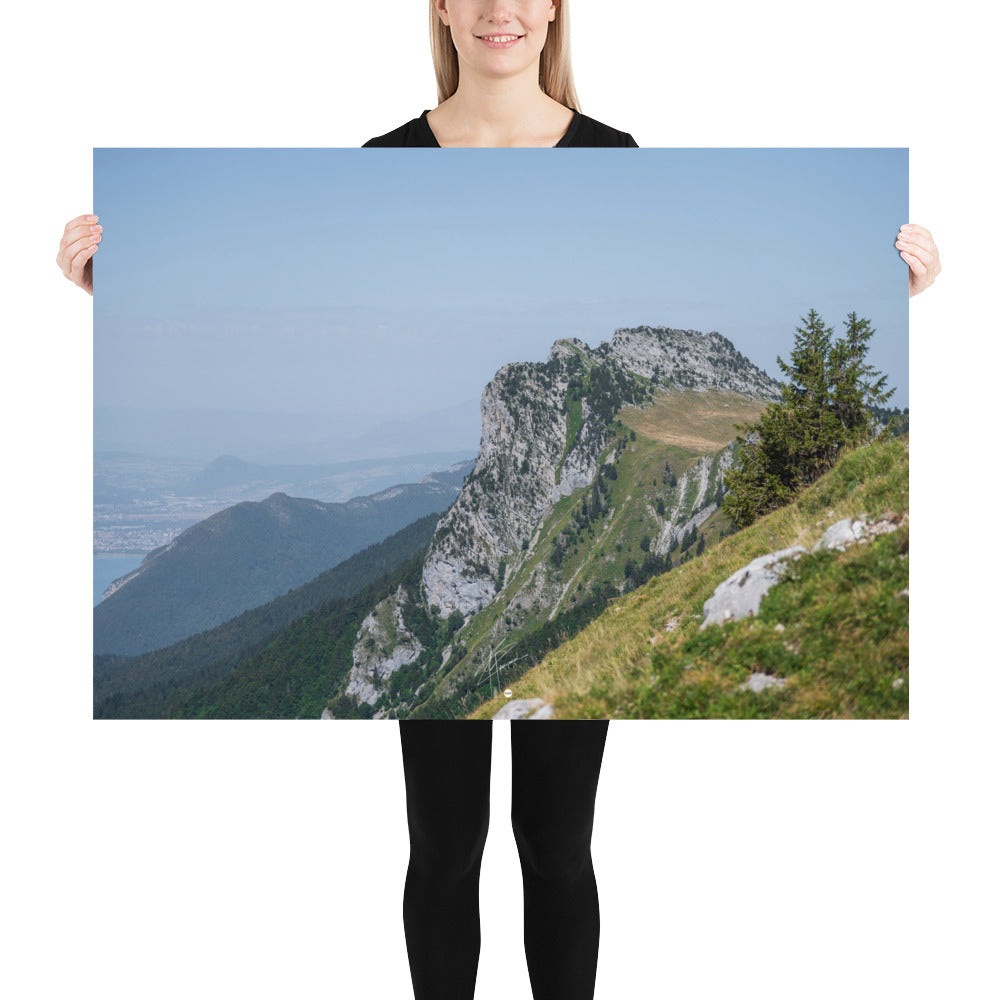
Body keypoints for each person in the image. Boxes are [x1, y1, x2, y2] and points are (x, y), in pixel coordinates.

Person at [66, 4, 935, 998]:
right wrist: (113, 297)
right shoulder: (381, 158)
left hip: (581, 609)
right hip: (469, 640)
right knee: (443, 845)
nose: (497, 9)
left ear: (557, 6)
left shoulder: (616, 153)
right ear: (436, 6)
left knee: (556, 845)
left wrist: (900, 293)